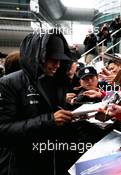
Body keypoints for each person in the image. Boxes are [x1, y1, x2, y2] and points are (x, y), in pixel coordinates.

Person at [0, 32, 75, 175]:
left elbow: (58, 119)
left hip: (52, 162)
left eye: (60, 60)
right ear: (38, 56)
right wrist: (49, 120)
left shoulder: (56, 83)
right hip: (20, 166)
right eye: (53, 59)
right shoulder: (8, 83)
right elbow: (3, 130)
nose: (57, 65)